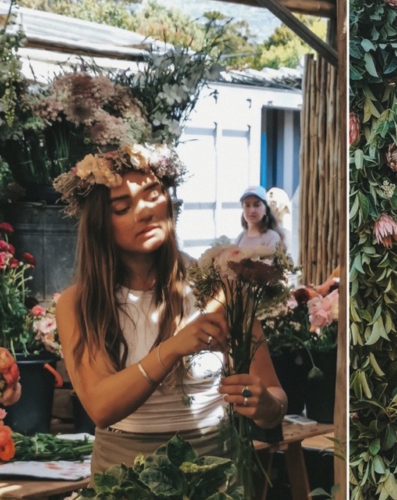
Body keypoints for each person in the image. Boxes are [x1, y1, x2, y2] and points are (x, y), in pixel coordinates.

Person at [52, 145, 287, 474]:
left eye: (153, 195)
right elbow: (100, 407)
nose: (145, 212)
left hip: (213, 471)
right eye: (122, 207)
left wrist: (263, 405)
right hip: (124, 478)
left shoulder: (221, 286)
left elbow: (274, 399)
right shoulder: (79, 303)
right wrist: (175, 347)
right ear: (100, 224)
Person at [237, 185, 286, 249]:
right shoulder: (240, 238)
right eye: (247, 205)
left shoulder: (272, 237)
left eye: (257, 205)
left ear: (266, 209)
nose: (252, 210)